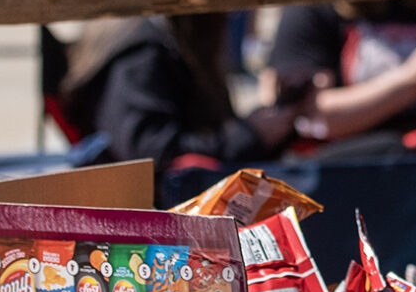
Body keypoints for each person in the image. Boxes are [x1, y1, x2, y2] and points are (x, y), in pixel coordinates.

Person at [59, 13, 303, 200]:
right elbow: (152, 152)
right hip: (158, 215)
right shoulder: (142, 51)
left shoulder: (161, 40)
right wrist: (251, 135)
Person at [267, 0, 416, 157]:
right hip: (350, 166)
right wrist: (410, 81)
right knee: (389, 146)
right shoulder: (316, 9)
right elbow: (313, 116)